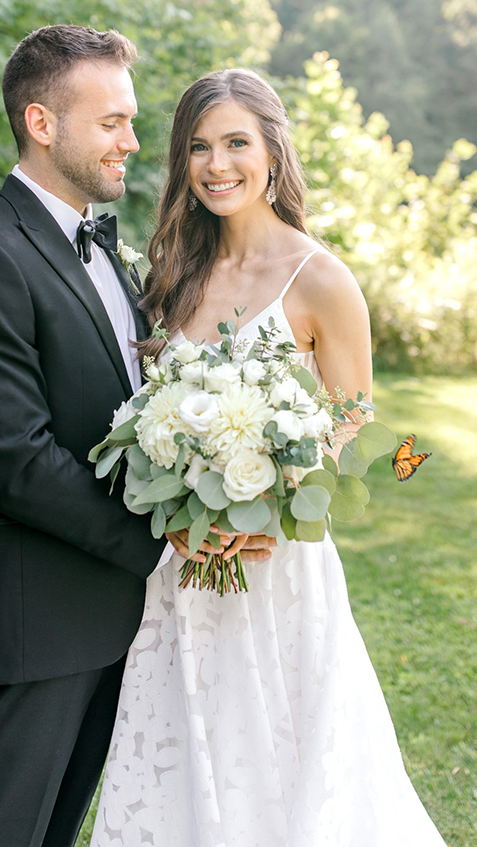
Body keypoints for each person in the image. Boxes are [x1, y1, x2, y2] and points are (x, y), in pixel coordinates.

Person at [91, 69, 447, 846]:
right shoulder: (172, 278)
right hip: (182, 566)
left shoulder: (320, 277)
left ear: (273, 152)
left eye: (236, 143)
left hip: (276, 564)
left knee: (289, 759)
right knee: (184, 747)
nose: (218, 164)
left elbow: (354, 422)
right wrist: (187, 497)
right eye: (198, 147)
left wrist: (277, 494)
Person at [0, 25, 168, 847]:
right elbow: (16, 461)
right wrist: (160, 544)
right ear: (42, 122)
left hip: (107, 623)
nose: (132, 140)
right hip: (30, 629)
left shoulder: (103, 246)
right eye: (113, 122)